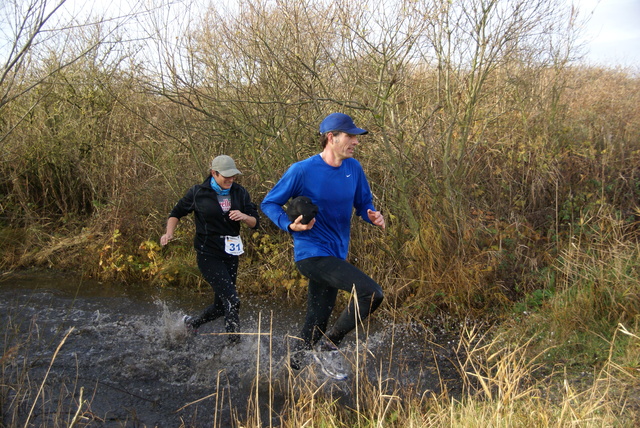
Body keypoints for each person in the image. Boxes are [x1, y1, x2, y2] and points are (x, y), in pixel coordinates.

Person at [261, 113, 385, 366]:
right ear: (331, 137)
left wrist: (370, 214)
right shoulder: (302, 170)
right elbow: (269, 202)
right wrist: (288, 224)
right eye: (350, 136)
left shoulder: (354, 168)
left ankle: (289, 371)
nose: (356, 142)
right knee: (371, 293)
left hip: (336, 253)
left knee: (316, 322)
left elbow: (363, 203)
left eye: (355, 137)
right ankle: (331, 345)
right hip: (311, 254)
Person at [160, 155, 259, 343]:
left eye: (233, 176)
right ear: (214, 173)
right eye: (226, 176)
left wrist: (244, 216)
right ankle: (234, 346)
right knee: (232, 301)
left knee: (222, 306)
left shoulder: (240, 192)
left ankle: (192, 323)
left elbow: (255, 223)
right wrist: (168, 233)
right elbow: (176, 213)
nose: (230, 180)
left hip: (231, 254)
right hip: (208, 254)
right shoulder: (199, 192)